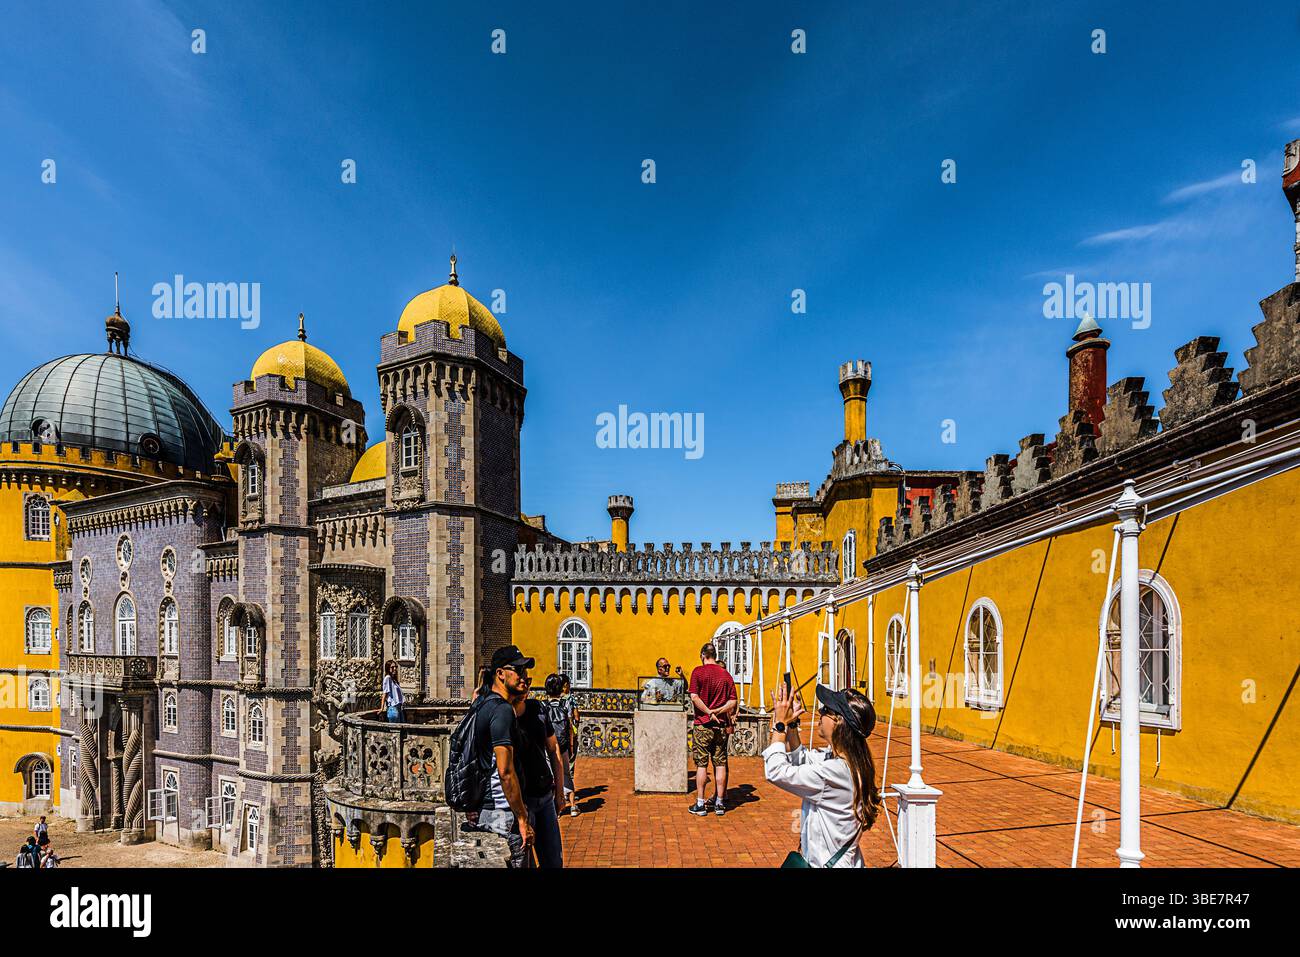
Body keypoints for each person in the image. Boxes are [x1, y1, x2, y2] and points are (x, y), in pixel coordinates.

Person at [763, 682, 881, 868]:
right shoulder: (847, 762)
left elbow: (776, 771)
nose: (820, 712)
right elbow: (801, 760)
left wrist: (780, 726)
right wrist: (792, 725)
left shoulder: (835, 772)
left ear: (839, 721)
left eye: (826, 709)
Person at [473, 644, 535, 867]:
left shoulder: (482, 703)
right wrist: (522, 818)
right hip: (503, 812)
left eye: (525, 672)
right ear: (500, 673)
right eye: (518, 671)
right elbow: (505, 772)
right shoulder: (501, 711)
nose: (523, 677)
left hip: (487, 810)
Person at [512, 678, 566, 867]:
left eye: (528, 680)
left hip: (544, 798)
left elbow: (553, 749)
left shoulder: (538, 709)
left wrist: (560, 793)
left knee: (554, 862)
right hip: (519, 802)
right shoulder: (501, 715)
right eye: (520, 677)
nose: (525, 683)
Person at [687, 642, 737, 816]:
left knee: (702, 764)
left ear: (703, 655)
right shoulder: (726, 675)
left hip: (703, 724)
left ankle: (700, 804)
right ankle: (720, 803)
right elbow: (733, 702)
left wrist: (709, 712)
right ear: (715, 655)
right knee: (720, 763)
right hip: (721, 727)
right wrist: (719, 711)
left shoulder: (698, 672)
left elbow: (694, 697)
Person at [543, 673, 577, 816]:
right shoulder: (566, 703)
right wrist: (570, 746)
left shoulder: (543, 705)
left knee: (550, 776)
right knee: (566, 774)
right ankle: (573, 806)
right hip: (563, 745)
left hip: (548, 746)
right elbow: (569, 726)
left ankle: (554, 809)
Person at [561, 673, 580, 816]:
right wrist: (575, 726)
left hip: (555, 737)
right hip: (569, 735)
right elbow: (576, 716)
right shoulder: (571, 699)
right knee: (569, 766)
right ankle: (571, 801)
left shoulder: (551, 700)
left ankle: (561, 795)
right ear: (566, 685)